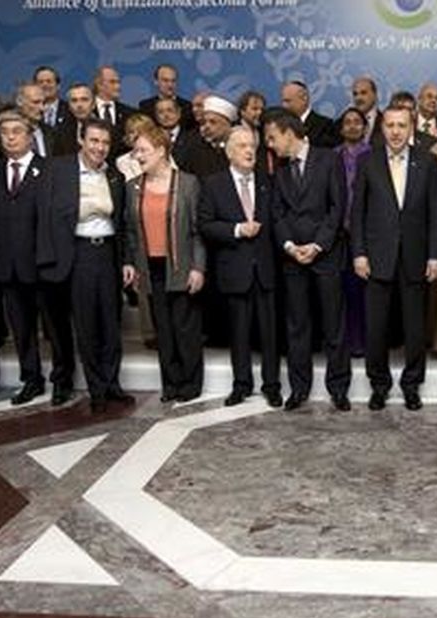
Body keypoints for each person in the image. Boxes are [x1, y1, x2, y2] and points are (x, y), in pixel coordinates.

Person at [38, 119, 134, 413]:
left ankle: (112, 383)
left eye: (105, 143)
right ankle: (97, 390)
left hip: (107, 254)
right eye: (94, 141)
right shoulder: (59, 170)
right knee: (87, 325)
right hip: (77, 255)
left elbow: (122, 223)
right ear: (81, 140)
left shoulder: (115, 176)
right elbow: (43, 215)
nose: (99, 148)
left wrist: (127, 260)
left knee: (110, 323)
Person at [351, 106, 437, 412]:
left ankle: (411, 385)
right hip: (377, 258)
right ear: (382, 128)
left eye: (401, 125)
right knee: (376, 327)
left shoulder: (428, 162)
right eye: (389, 125)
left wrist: (434, 256)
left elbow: (436, 214)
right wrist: (359, 253)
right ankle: (379, 386)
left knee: (415, 329)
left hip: (416, 258)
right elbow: (358, 214)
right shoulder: (368, 161)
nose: (395, 131)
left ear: (411, 128)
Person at [0, 110, 75, 406]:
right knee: (22, 330)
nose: (10, 137)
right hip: (7, 265)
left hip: (43, 263)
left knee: (56, 327)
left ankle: (63, 380)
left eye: (16, 131)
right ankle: (31, 379)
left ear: (30, 137)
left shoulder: (50, 169)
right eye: (4, 132)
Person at [264, 110, 351, 411]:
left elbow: (337, 208)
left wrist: (316, 245)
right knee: (297, 327)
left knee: (333, 326)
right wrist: (290, 246)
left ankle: (339, 388)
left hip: (325, 255)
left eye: (272, 138)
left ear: (289, 133)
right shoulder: (281, 169)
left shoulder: (329, 159)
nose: (270, 145)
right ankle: (299, 389)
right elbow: (278, 213)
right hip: (292, 259)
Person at [197, 126, 283, 408]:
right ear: (229, 151)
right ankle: (241, 385)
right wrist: (236, 230)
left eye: (252, 146)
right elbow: (206, 224)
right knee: (239, 332)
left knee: (270, 333)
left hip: (266, 270)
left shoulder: (268, 182)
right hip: (234, 269)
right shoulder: (213, 184)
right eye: (243, 146)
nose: (249, 151)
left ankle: (272, 385)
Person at [122, 124, 205, 403]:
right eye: (136, 151)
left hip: (182, 266)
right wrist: (131, 263)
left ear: (160, 151)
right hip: (150, 268)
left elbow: (197, 231)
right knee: (163, 330)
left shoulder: (188, 183)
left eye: (143, 150)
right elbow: (131, 232)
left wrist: (198, 267)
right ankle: (171, 383)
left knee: (185, 329)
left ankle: (191, 384)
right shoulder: (132, 187)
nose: (138, 156)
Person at [335, 107, 373, 357]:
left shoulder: (374, 155)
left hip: (368, 234)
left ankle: (365, 342)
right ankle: (345, 342)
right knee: (342, 291)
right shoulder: (331, 156)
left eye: (357, 122)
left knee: (365, 292)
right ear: (341, 128)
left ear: (365, 127)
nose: (352, 126)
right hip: (338, 234)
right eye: (347, 122)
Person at [92, 66, 139, 161]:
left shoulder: (130, 113)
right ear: (99, 84)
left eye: (118, 82)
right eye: (112, 82)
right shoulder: (87, 111)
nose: (118, 87)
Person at [182, 95, 234, 177]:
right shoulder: (193, 150)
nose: (207, 126)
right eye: (204, 122)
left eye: (213, 122)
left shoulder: (238, 149)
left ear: (227, 125)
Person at [280, 80, 338, 148]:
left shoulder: (324, 125)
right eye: (283, 101)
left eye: (288, 101)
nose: (284, 106)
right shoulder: (281, 125)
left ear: (304, 99)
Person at [139, 64, 194, 131]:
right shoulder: (145, 106)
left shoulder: (187, 106)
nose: (170, 85)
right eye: (165, 80)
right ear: (156, 82)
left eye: (173, 81)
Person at [349, 75, 382, 144]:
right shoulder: (342, 123)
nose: (358, 98)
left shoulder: (386, 122)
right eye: (355, 94)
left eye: (363, 93)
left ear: (375, 96)